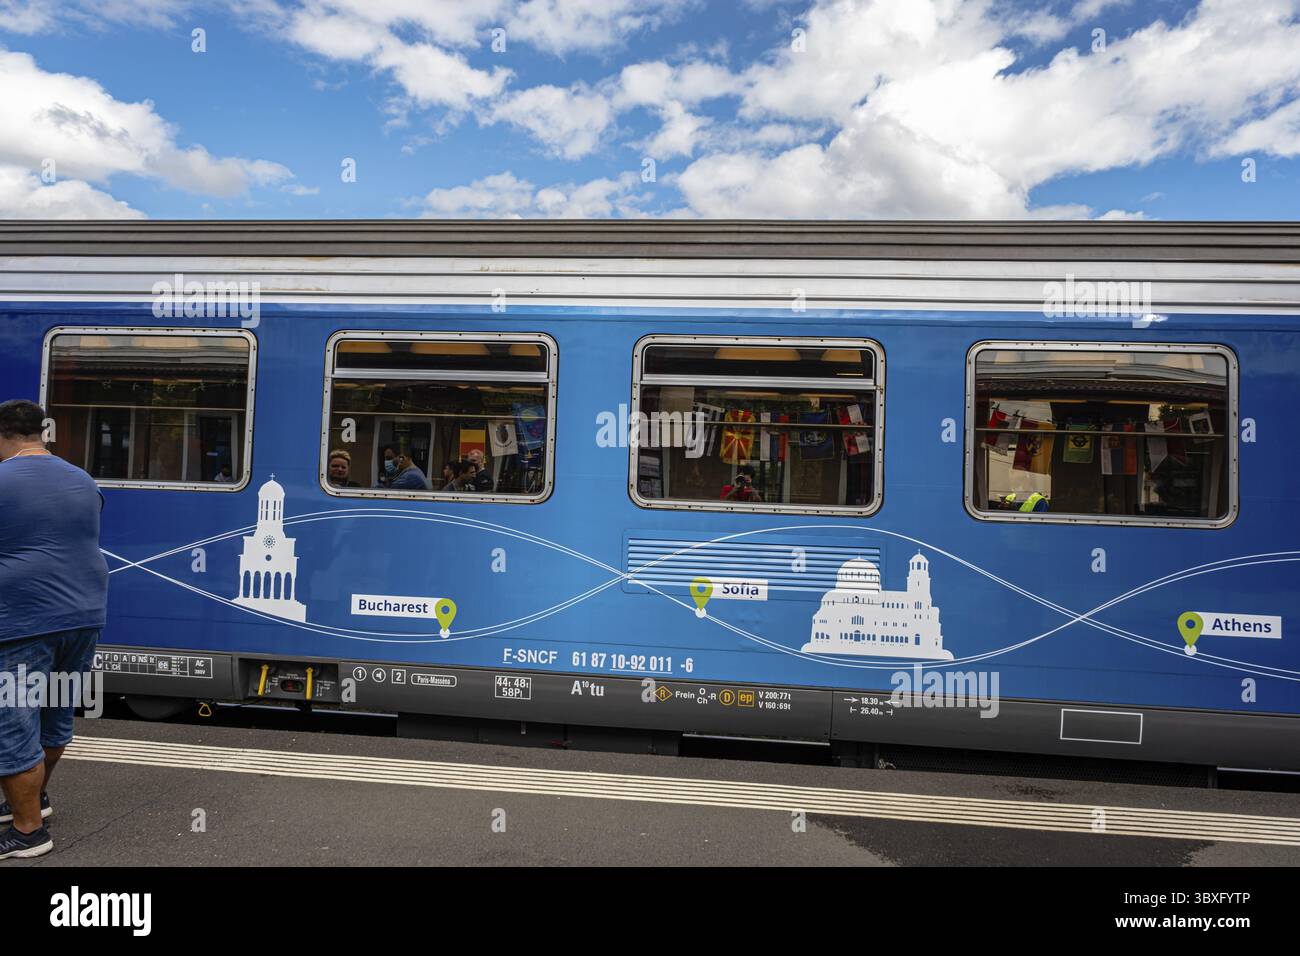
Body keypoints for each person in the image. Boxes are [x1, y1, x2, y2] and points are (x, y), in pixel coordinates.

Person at [0, 400, 108, 861]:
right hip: (84, 613)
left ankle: (27, 831)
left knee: (11, 720)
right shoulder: (82, 479)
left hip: (23, 619)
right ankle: (35, 799)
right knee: (55, 710)